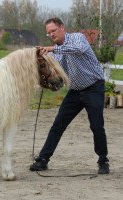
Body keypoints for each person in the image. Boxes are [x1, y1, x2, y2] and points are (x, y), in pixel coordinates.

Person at [30, 17, 110, 174]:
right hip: (75, 91)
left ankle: (103, 161)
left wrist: (52, 49)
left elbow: (77, 50)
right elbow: (60, 79)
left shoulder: (78, 38)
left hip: (94, 87)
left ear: (62, 28)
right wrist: (46, 82)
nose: (51, 34)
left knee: (96, 126)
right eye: (48, 33)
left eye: (53, 30)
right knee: (58, 124)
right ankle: (43, 159)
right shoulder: (56, 54)